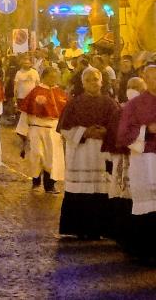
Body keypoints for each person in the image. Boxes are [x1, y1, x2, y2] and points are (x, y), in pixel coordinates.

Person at [58, 66, 118, 240]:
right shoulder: (74, 104)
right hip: (81, 154)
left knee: (102, 190)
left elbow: (118, 127)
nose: (93, 83)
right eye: (88, 80)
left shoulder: (110, 103)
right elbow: (64, 129)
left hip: (101, 153)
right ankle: (79, 228)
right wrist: (84, 132)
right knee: (81, 190)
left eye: (96, 79)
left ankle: (101, 229)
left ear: (102, 82)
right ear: (83, 83)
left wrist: (106, 132)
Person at [116, 65, 156, 261]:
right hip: (144, 158)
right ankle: (145, 252)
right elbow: (123, 135)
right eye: (153, 78)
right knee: (147, 205)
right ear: (145, 79)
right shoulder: (134, 105)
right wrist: (147, 130)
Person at [15, 67, 67, 194]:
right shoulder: (35, 92)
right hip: (37, 128)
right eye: (51, 77)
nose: (54, 79)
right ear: (44, 77)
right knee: (37, 155)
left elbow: (66, 114)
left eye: (56, 77)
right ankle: (36, 182)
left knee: (52, 158)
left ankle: (50, 185)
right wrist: (23, 132)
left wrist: (66, 131)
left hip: (54, 130)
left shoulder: (60, 93)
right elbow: (26, 113)